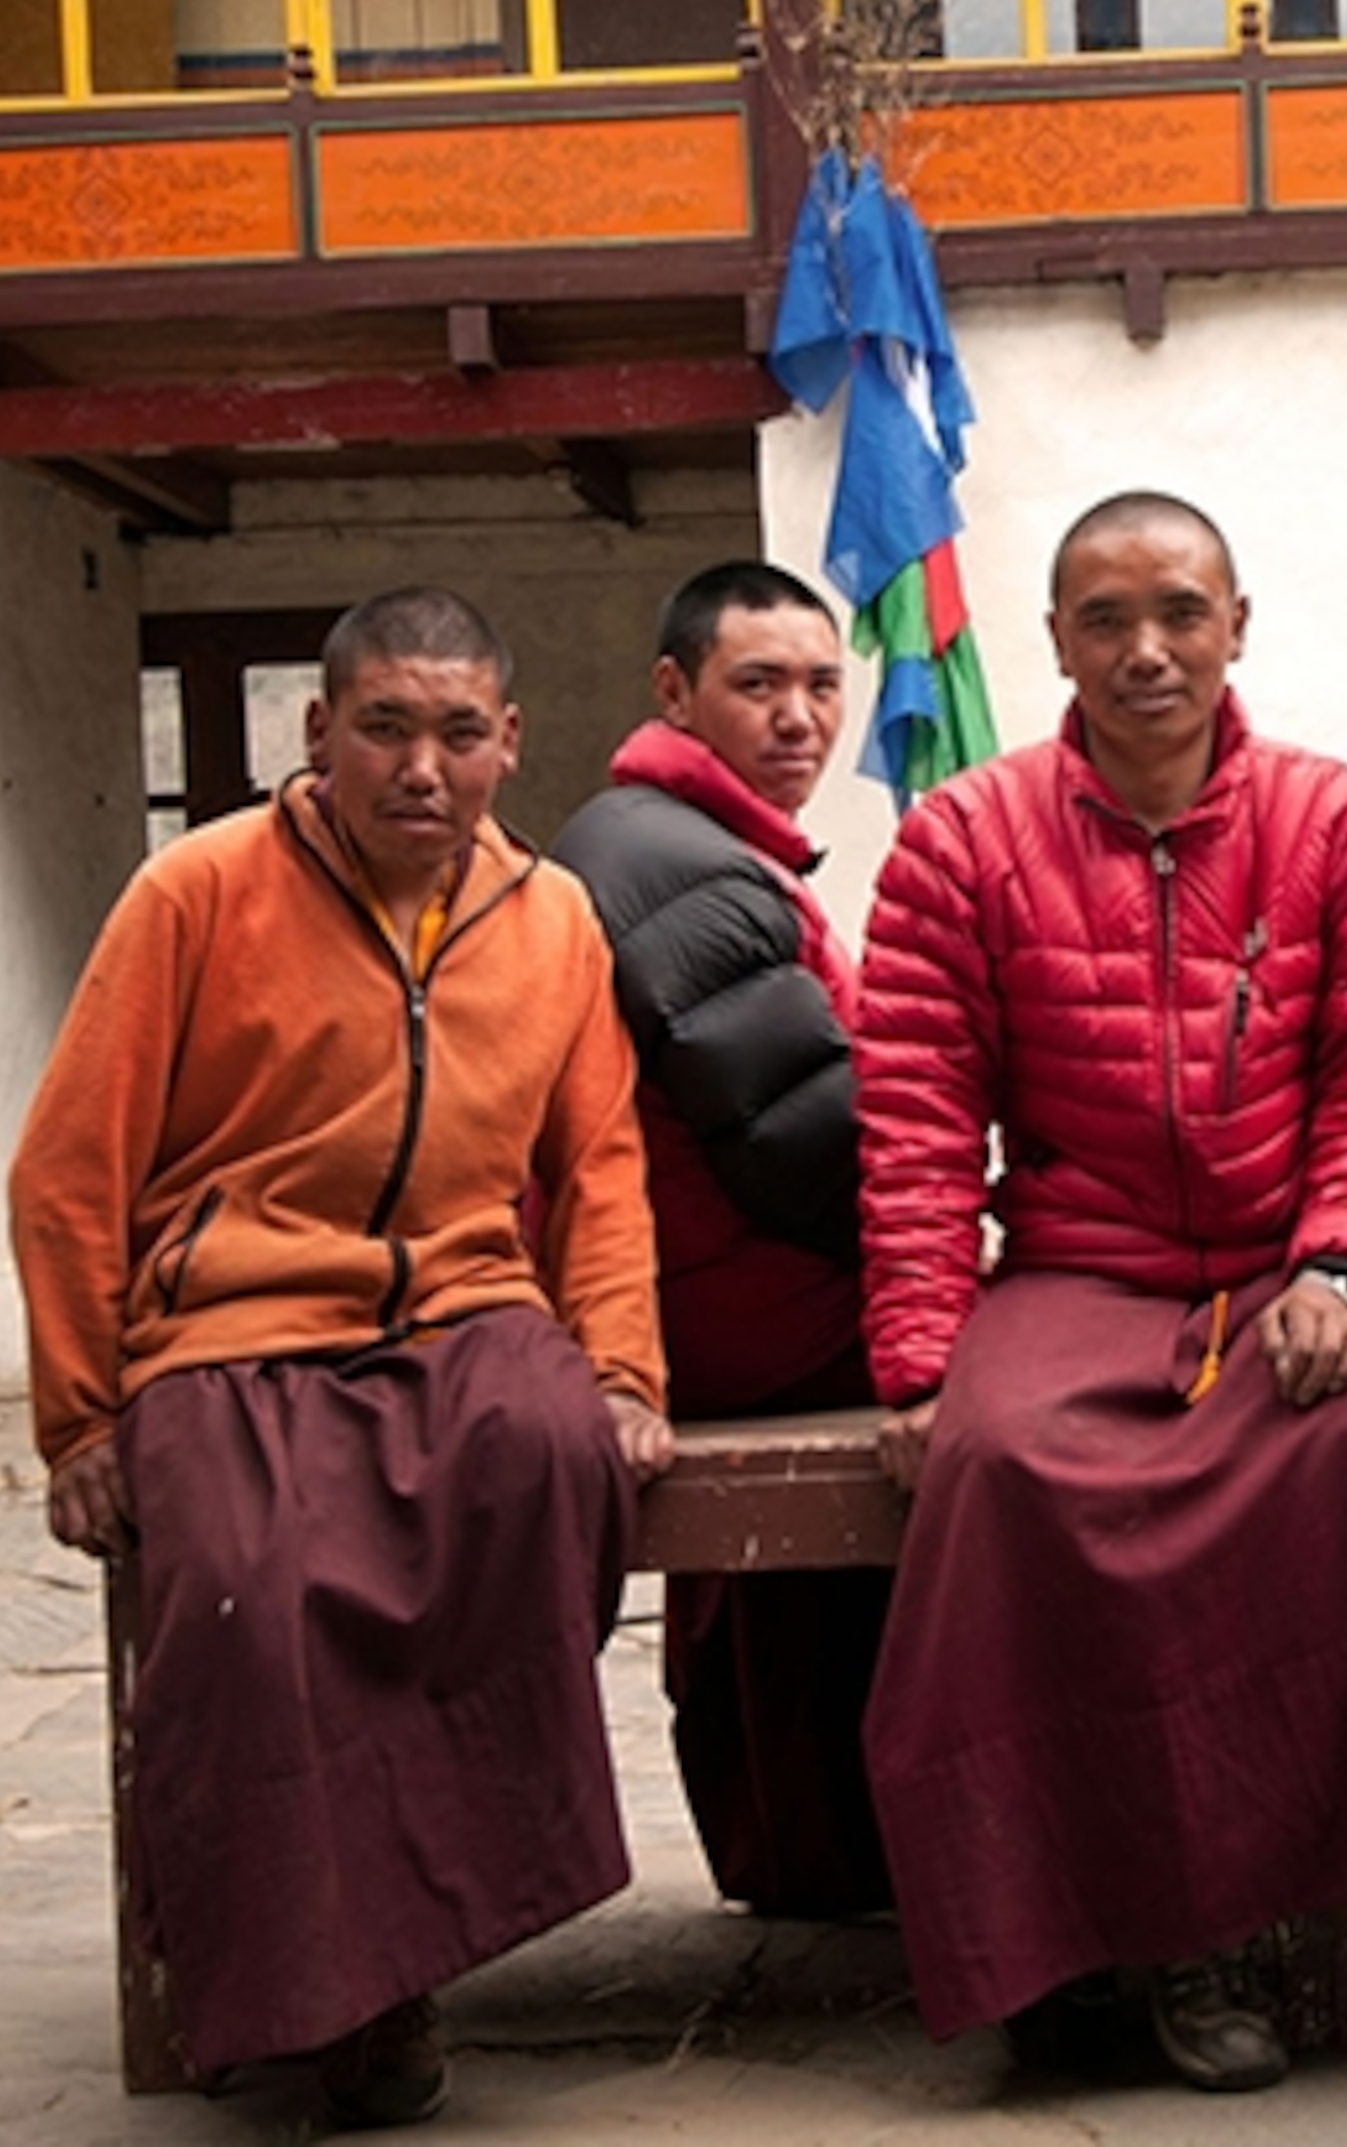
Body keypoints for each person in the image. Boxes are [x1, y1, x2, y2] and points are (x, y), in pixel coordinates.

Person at [10, 586, 674, 2128]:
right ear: (318, 733)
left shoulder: (552, 916)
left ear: (510, 742)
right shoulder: (197, 892)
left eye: (457, 731)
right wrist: (78, 1418)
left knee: (550, 1462)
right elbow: (68, 1169)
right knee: (247, 1589)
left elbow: (601, 1167)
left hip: (461, 1308)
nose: (420, 766)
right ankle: (299, 1989)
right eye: (384, 725)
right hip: (229, 1322)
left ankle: (419, 1945)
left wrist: (626, 1372)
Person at [851, 491, 1347, 2091]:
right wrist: (925, 1355)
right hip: (1079, 1265)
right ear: (1055, 641)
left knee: (1342, 1447)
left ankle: (1247, 1927)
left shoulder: (1337, 821)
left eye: (1181, 614)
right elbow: (920, 1111)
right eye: (1106, 620)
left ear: (1238, 624)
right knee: (999, 1470)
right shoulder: (962, 836)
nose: (1147, 652)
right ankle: (1046, 1931)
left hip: (1290, 1265)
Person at [552, 560, 892, 1922]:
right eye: (759, 684)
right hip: (757, 1311)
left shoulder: (685, 840)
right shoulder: (675, 865)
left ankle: (820, 1851)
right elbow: (811, 1150)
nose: (799, 716)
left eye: (821, 684)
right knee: (1068, 1394)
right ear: (676, 693)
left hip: (728, 1290)